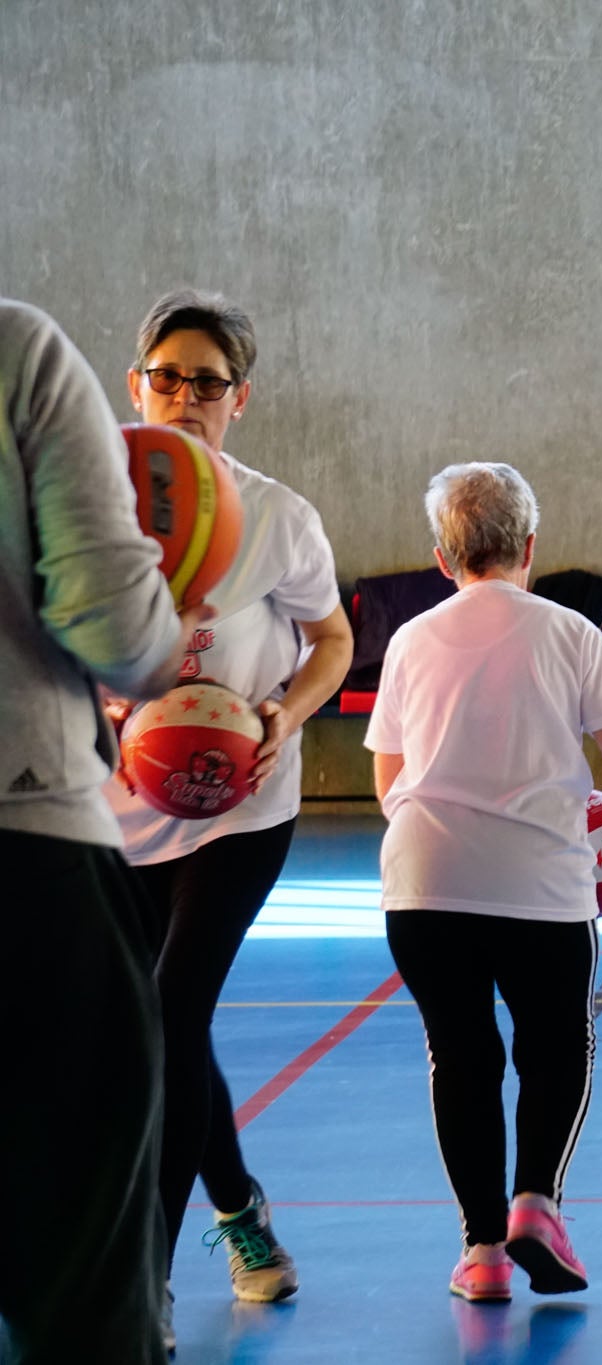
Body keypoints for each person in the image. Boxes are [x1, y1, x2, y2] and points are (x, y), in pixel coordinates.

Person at [103, 291, 353, 1345]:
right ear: (137, 383)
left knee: (169, 1012)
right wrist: (106, 704)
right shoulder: (86, 507)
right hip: (118, 807)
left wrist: (282, 716)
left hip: (238, 808)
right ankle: (243, 1210)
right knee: (156, 1027)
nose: (186, 396)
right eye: (169, 375)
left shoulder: (279, 517)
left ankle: (144, 1286)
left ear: (238, 400)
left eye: (209, 382)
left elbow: (333, 641)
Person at [366, 463, 602, 1301]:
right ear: (531, 546)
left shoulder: (413, 639)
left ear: (441, 556)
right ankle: (537, 1201)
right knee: (556, 1044)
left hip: (423, 884)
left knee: (460, 1055)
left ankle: (483, 1252)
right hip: (539, 883)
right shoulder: (570, 632)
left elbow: (391, 784)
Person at [0, 298, 195, 1364]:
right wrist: (168, 617)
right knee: (78, 1293)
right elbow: (118, 631)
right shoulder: (19, 351)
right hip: (26, 845)